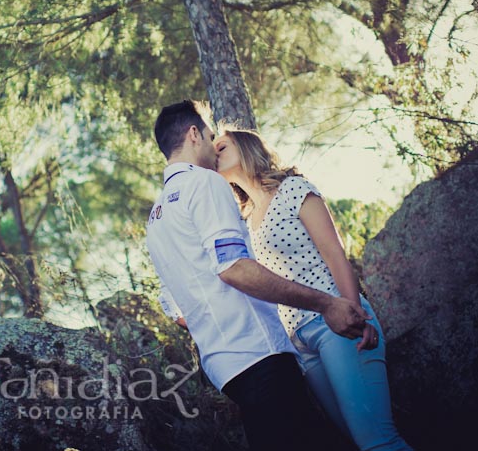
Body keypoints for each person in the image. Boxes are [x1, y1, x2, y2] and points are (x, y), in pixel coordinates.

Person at [145, 100, 372, 451]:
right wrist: (326, 303)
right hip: (260, 354)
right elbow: (233, 268)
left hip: (227, 370)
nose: (211, 145)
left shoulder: (155, 218)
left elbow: (176, 309)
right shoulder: (203, 184)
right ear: (193, 134)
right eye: (208, 135)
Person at [215, 127, 412, 451]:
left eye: (221, 144)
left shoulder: (293, 189)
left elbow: (335, 254)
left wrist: (355, 315)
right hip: (300, 345)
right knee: (356, 442)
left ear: (247, 146)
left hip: (336, 325)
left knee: (379, 442)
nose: (214, 150)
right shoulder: (245, 221)